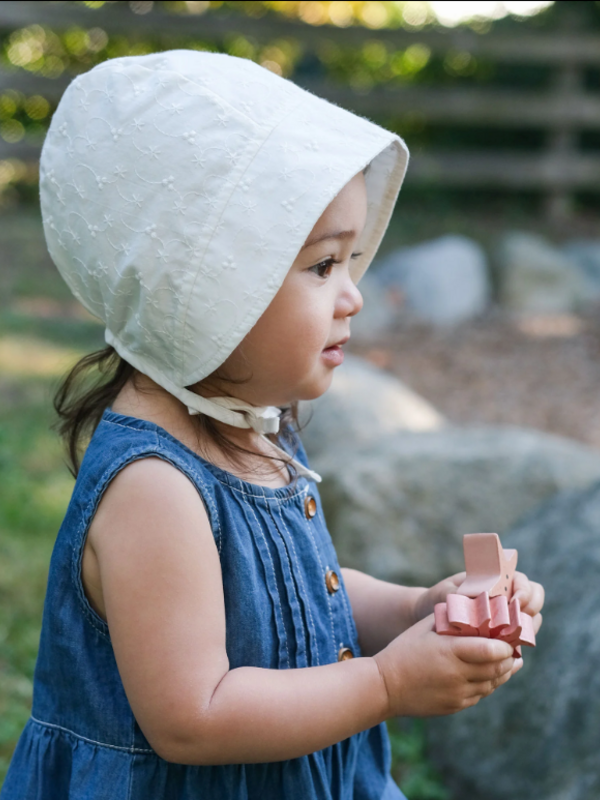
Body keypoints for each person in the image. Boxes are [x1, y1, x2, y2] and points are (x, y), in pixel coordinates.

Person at [1, 50, 543, 800]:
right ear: (205, 289)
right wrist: (385, 684)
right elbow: (195, 716)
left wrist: (419, 607)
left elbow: (296, 596)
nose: (353, 295)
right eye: (323, 266)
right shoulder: (154, 488)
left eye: (350, 260)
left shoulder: (253, 425)